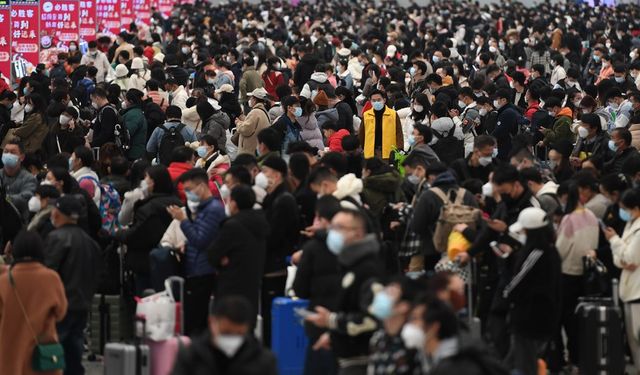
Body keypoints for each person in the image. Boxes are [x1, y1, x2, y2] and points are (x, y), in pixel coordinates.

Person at [305, 209, 383, 375]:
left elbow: (372, 319)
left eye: (338, 227)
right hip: (346, 357)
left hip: (362, 361)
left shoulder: (368, 270)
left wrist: (332, 321)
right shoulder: (350, 266)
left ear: (357, 233)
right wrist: (333, 335)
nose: (332, 233)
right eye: (331, 227)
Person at [45, 195, 102, 375]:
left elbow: (48, 273)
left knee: (55, 350)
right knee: (74, 349)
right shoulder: (90, 242)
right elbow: (97, 273)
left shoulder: (56, 238)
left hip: (61, 304)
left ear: (59, 213)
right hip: (82, 302)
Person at [502, 208, 562, 375]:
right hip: (543, 317)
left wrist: (506, 294)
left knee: (525, 364)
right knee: (517, 361)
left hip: (529, 319)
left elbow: (518, 282)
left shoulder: (536, 253)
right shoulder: (551, 250)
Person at [0, 230, 68, 375]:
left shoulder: (4, 281)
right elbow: (61, 313)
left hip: (11, 358)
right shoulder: (51, 278)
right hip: (42, 357)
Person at [167, 168, 225, 336]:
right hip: (196, 268)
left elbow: (201, 241)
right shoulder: (203, 208)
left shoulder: (213, 209)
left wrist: (183, 220)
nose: (187, 194)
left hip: (203, 271)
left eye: (189, 189)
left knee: (195, 323)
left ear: (201, 186)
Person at [293, 195, 342, 375]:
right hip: (344, 322)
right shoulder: (352, 245)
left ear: (321, 219)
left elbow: (300, 289)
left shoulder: (313, 248)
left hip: (318, 320)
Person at [114, 165, 182, 294]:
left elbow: (137, 234)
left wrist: (120, 234)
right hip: (172, 260)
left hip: (146, 260)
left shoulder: (147, 208)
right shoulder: (177, 203)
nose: (144, 181)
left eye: (146, 178)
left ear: (154, 182)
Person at [207, 184, 268, 325]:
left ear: (234, 203)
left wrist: (221, 259)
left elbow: (213, 255)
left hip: (231, 286)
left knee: (228, 328)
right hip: (252, 285)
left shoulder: (232, 226)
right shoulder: (260, 223)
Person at [553, 182, 599, 370]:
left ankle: (565, 360)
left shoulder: (569, 219)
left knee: (565, 319)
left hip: (567, 273)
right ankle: (579, 358)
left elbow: (560, 250)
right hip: (586, 273)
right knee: (579, 319)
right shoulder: (591, 216)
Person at [171, 296, 278, 375]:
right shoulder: (191, 356)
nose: (232, 338)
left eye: (239, 334)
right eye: (226, 332)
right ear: (212, 322)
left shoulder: (263, 361)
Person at [260, 156, 300, 345]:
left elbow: (273, 235)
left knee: (271, 316)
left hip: (275, 266)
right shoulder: (273, 197)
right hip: (269, 263)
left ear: (276, 175)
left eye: (265, 172)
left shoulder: (283, 200)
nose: (262, 176)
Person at [604, 188, 640, 369]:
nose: (623, 212)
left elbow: (629, 258)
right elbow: (620, 260)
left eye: (626, 208)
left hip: (637, 290)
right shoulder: (630, 224)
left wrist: (614, 241)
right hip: (628, 288)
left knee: (637, 337)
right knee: (633, 340)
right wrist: (620, 250)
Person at [367, 277, 419, 375]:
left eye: (390, 293)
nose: (382, 297)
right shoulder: (377, 339)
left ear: (404, 306)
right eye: (384, 291)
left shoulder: (413, 339)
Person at [358, 90, 403, 160]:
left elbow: (399, 132)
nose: (376, 102)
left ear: (384, 100)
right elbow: (361, 133)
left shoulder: (393, 114)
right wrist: (362, 148)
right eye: (374, 100)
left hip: (389, 152)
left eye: (379, 100)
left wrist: (400, 148)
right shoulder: (366, 115)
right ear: (370, 101)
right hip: (371, 152)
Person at [0, 140, 37, 221]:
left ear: (22, 157)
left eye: (12, 152)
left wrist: (5, 199)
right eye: (6, 152)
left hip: (19, 221)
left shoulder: (29, 178)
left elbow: (25, 198)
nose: (8, 155)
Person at [235, 88, 271, 156]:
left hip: (249, 150)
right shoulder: (264, 111)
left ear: (254, 100)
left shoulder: (255, 112)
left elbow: (246, 129)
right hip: (256, 147)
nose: (250, 100)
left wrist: (238, 123)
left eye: (251, 98)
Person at [491, 88, 520, 161]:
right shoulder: (508, 109)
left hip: (506, 147)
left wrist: (489, 139)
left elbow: (499, 131)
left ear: (504, 100)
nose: (496, 102)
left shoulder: (507, 112)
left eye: (497, 99)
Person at [120, 89, 148, 160]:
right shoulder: (136, 112)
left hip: (133, 153)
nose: (124, 102)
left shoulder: (133, 115)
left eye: (126, 99)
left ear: (131, 101)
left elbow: (127, 133)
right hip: (136, 152)